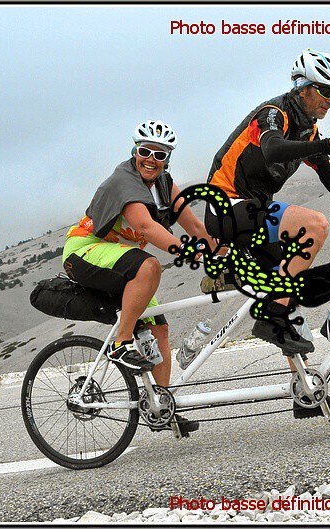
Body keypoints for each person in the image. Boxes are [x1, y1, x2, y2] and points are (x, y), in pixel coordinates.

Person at [205, 48, 330, 421]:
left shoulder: (308, 129)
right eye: (326, 91)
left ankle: (306, 395)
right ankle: (270, 317)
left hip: (251, 213)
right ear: (303, 87)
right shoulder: (274, 113)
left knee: (287, 294)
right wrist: (327, 143)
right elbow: (272, 149)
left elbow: (326, 171)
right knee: (315, 225)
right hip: (227, 207)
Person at [62, 119, 212, 435]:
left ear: (167, 159)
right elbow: (145, 227)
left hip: (118, 261)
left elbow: (196, 228)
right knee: (149, 266)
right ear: (135, 151)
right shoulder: (125, 181)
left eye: (160, 155)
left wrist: (228, 253)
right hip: (84, 251)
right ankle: (121, 344)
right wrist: (186, 251)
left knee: (159, 329)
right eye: (145, 151)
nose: (151, 160)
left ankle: (162, 406)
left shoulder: (165, 185)